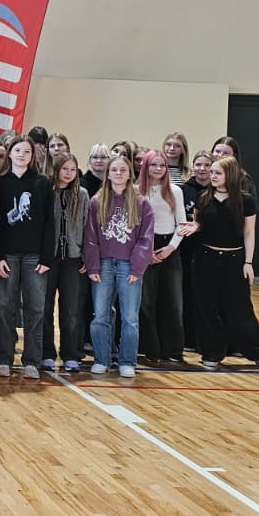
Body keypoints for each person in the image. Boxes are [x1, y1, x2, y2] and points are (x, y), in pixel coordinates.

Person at [190, 156, 259, 371]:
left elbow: (249, 232)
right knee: (207, 307)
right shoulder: (203, 197)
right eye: (212, 172)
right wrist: (194, 227)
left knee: (240, 308)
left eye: (217, 173)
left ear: (230, 174)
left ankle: (258, 353)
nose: (212, 176)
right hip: (205, 258)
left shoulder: (245, 200)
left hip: (234, 259)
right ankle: (212, 351)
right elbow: (198, 224)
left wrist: (248, 262)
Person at [0, 136, 55, 379]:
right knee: (4, 307)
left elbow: (49, 222)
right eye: (17, 150)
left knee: (35, 309)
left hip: (34, 257)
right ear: (10, 153)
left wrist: (46, 258)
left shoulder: (42, 183)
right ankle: (3, 359)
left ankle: (32, 361)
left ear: (32, 156)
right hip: (7, 256)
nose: (21, 155)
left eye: (26, 151)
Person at [84, 155, 154, 378]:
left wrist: (137, 267)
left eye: (123, 169)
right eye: (114, 169)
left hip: (128, 265)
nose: (118, 173)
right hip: (104, 264)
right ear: (108, 174)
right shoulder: (97, 201)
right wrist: (93, 266)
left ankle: (127, 361)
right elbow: (91, 236)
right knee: (100, 315)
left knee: (130, 318)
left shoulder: (141, 202)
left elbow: (146, 238)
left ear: (130, 173)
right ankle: (102, 359)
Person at [137, 150, 191, 365]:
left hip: (170, 247)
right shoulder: (137, 191)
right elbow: (134, 224)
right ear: (145, 166)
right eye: (154, 165)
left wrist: (170, 248)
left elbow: (182, 224)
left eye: (162, 165)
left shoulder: (175, 191)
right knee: (146, 301)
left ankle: (173, 349)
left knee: (173, 301)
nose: (158, 169)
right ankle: (151, 348)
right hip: (145, 247)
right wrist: (146, 250)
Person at [40, 152, 88, 372]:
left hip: (73, 259)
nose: (68, 173)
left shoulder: (82, 194)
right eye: (64, 169)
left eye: (73, 170)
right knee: (45, 307)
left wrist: (86, 254)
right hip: (49, 259)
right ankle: (46, 353)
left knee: (70, 309)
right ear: (56, 169)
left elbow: (87, 226)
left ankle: (70, 354)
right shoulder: (47, 191)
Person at [179, 150, 212, 351]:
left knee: (206, 296)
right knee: (187, 293)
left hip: (209, 249)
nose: (202, 169)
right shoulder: (183, 190)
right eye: (198, 164)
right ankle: (188, 338)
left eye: (207, 165)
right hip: (186, 249)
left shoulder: (218, 191)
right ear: (192, 166)